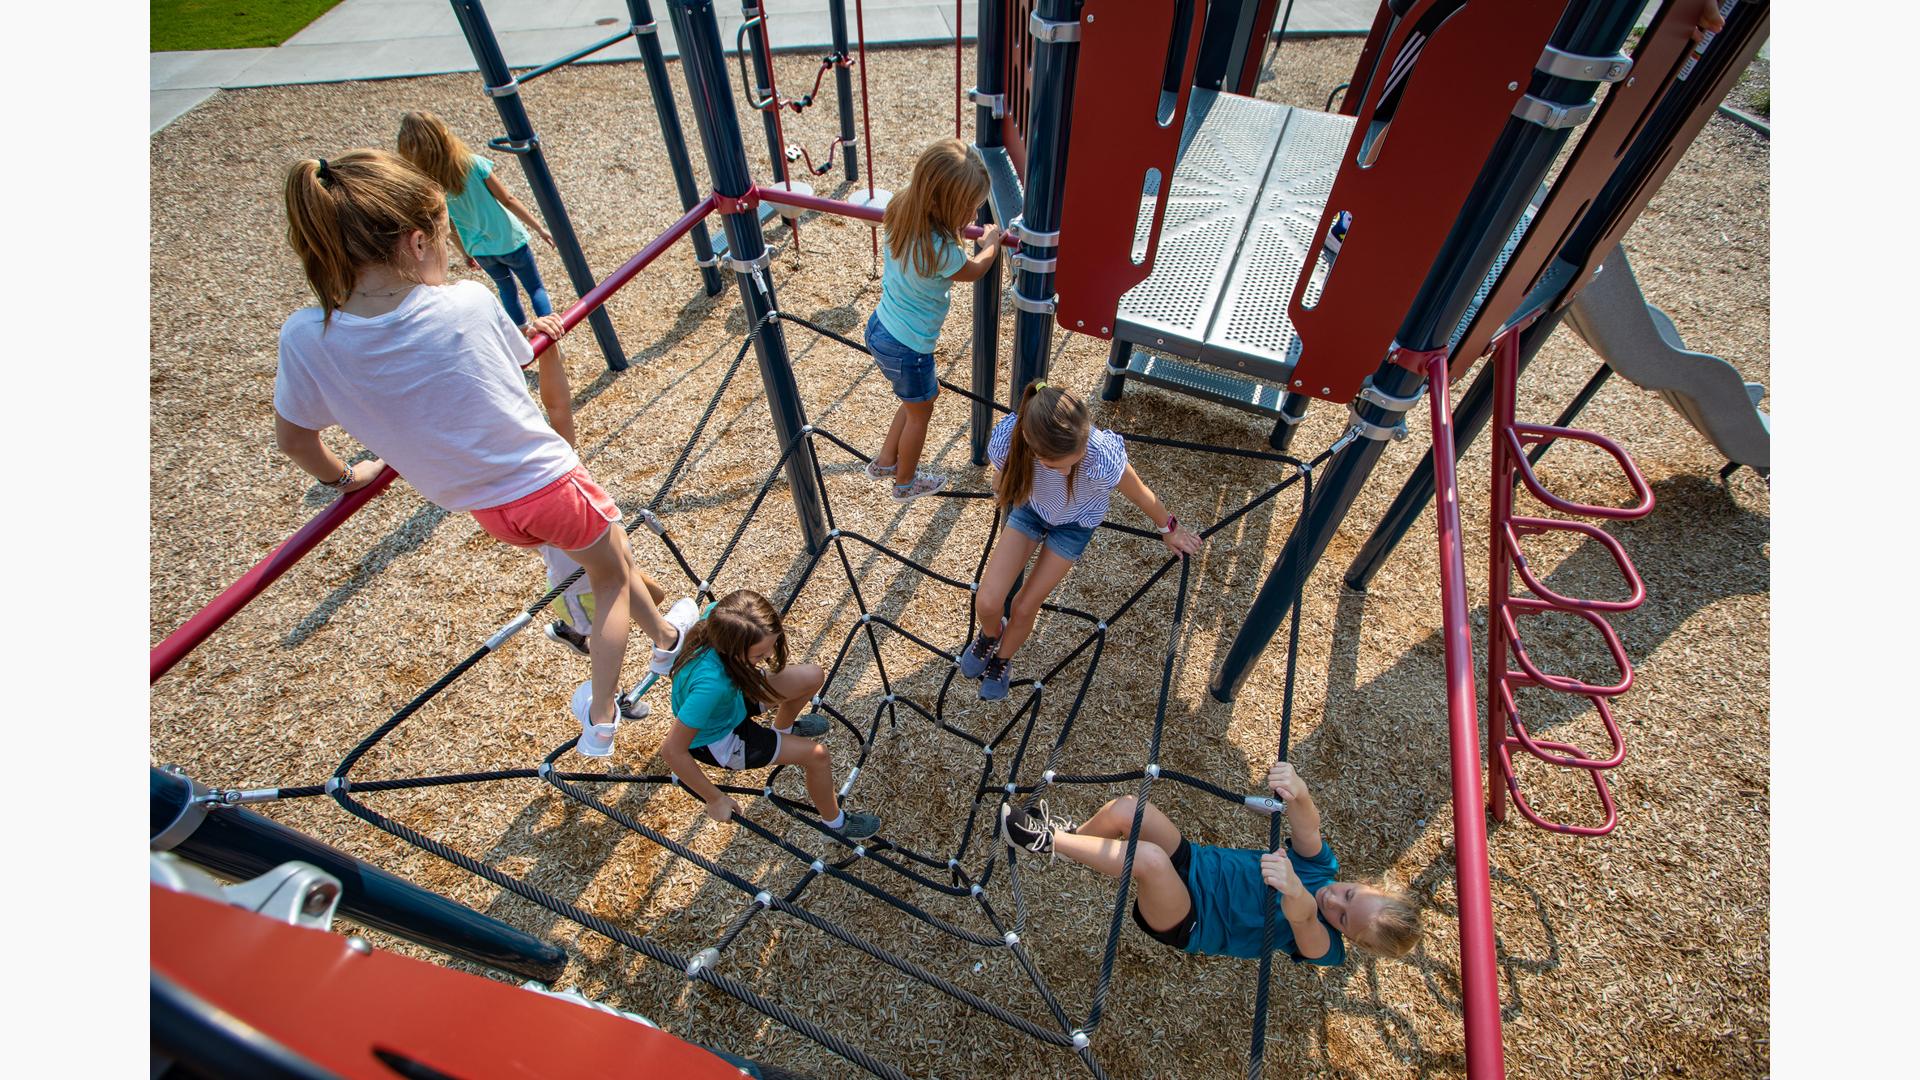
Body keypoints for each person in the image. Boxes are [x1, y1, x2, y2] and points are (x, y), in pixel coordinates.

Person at [272, 149, 694, 758]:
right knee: (607, 578)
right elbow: (525, 361)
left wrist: (347, 477)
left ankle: (666, 633)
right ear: (417, 242)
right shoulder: (465, 302)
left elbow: (296, 439)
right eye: (447, 238)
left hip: (486, 508)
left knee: (608, 557)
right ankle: (602, 713)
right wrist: (546, 341)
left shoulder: (307, 336)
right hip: (548, 483)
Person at [1001, 763, 1421, 964]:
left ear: (1353, 940)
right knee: (1128, 810)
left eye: (1344, 918)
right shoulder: (1322, 869)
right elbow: (1308, 831)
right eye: (1348, 894)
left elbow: (1307, 921)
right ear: (1366, 883)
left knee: (1146, 859)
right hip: (1197, 862)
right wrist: (1301, 794)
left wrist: (1297, 894)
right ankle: (1075, 838)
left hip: (1191, 918)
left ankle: (1046, 842)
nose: (1334, 902)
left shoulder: (1327, 949)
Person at [958, 381, 1203, 700]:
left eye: (1072, 461)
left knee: (1024, 605)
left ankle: (1002, 660)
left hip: (1073, 526)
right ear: (1032, 448)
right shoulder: (1013, 440)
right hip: (1031, 510)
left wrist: (1169, 527)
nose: (1064, 472)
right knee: (988, 601)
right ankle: (991, 635)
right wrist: (1001, 483)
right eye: (1053, 465)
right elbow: (1001, 475)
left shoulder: (1099, 455)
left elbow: (1139, 493)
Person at [397, 110, 576, 447]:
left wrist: (465, 252)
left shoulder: (431, 187)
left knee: (506, 289)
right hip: (510, 239)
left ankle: (524, 341)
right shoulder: (474, 164)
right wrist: (537, 226)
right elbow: (506, 198)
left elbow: (447, 227)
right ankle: (549, 336)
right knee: (534, 286)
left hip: (481, 247)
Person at [663, 590, 881, 839]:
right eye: (758, 655)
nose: (767, 657)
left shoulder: (718, 616)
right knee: (818, 756)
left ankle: (783, 731)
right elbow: (672, 750)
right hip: (720, 739)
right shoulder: (711, 687)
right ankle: (835, 825)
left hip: (733, 698)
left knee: (812, 676)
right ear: (731, 648)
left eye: (770, 646)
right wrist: (714, 798)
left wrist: (752, 661)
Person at [863, 138, 1004, 503]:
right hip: (910, 348)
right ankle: (905, 483)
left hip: (881, 328)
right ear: (945, 205)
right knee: (920, 415)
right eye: (968, 209)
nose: (973, 218)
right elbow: (975, 270)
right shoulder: (941, 251)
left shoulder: (900, 208)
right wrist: (991, 243)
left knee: (915, 402)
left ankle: (885, 460)